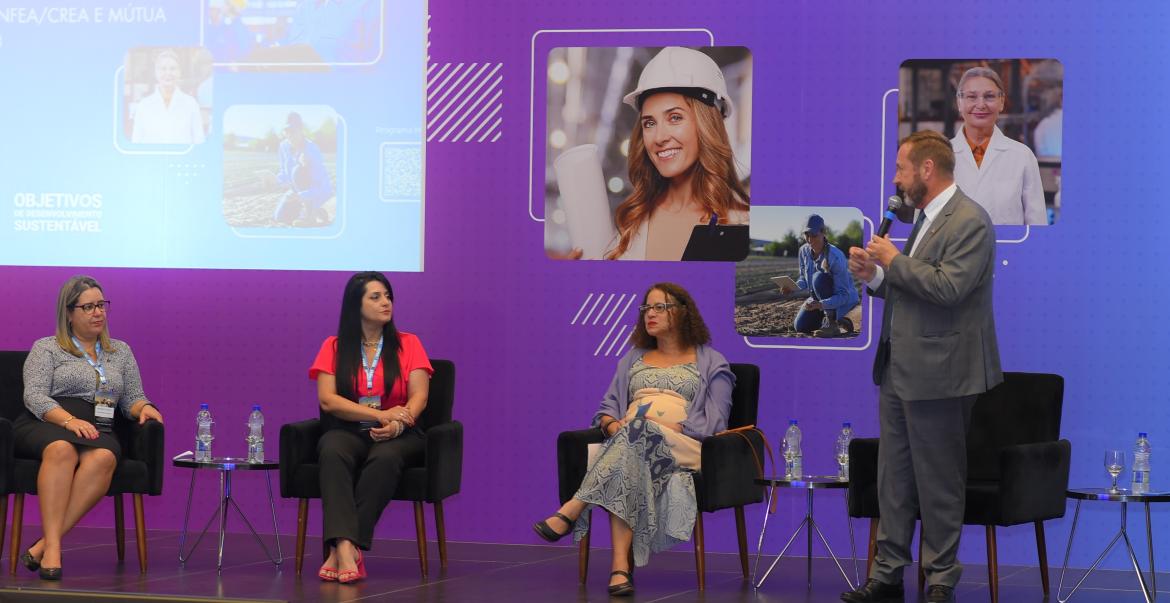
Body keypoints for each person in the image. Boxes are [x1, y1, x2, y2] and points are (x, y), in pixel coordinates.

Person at [843, 130, 1002, 603]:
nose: (896, 180)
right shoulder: (927, 220)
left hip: (942, 373)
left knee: (939, 482)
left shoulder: (970, 220)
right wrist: (875, 276)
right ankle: (887, 575)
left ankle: (940, 580)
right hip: (899, 369)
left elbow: (949, 289)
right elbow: (913, 292)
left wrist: (893, 260)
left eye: (901, 169)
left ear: (926, 170)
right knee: (893, 480)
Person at [533, 282, 735, 597]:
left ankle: (574, 507)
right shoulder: (633, 358)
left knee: (637, 435)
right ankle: (619, 569)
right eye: (646, 308)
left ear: (682, 312)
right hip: (631, 441)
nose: (649, 314)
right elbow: (607, 410)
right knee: (629, 454)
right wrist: (615, 427)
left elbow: (716, 421)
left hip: (685, 446)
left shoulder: (711, 361)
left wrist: (660, 425)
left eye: (659, 307)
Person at [16, 276, 164, 580]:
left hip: (98, 425)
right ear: (69, 313)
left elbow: (132, 397)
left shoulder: (120, 351)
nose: (98, 312)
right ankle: (53, 550)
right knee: (62, 450)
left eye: (101, 305)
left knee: (104, 458)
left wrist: (144, 407)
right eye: (88, 307)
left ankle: (44, 543)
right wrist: (69, 421)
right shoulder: (47, 348)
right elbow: (34, 396)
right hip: (48, 421)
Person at [308, 272, 432, 584]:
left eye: (388, 296)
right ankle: (347, 546)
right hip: (351, 429)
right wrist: (378, 415)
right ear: (356, 305)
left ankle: (344, 547)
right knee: (332, 449)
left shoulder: (409, 343)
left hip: (401, 432)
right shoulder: (334, 346)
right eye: (375, 297)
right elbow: (328, 400)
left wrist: (398, 422)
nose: (385, 302)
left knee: (385, 457)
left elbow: (419, 396)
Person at [598, 47, 749, 260]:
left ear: (708, 124)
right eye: (649, 123)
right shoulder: (629, 226)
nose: (659, 137)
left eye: (675, 118)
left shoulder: (746, 222)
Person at [950, 67, 1045, 226]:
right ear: (959, 102)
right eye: (972, 97)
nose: (981, 105)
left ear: (1001, 102)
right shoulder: (940, 155)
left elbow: (1037, 222)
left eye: (989, 96)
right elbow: (924, 224)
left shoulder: (1022, 156)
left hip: (1006, 244)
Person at [781, 214, 860, 337]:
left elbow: (843, 295)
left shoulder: (836, 257)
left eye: (814, 235)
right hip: (818, 298)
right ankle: (839, 321)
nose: (810, 240)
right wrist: (793, 287)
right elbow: (803, 279)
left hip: (842, 299)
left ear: (823, 233)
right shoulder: (803, 251)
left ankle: (832, 323)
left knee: (818, 278)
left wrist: (821, 304)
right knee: (801, 326)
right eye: (806, 235)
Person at [130, 49, 206, 144]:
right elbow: (136, 141)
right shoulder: (144, 105)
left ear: (179, 72)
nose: (168, 73)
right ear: (156, 73)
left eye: (173, 69)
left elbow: (199, 140)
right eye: (163, 69)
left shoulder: (191, 103)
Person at [272, 111, 334, 227]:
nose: (289, 135)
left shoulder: (312, 149)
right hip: (296, 192)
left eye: (293, 131)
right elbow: (284, 172)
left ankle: (310, 214)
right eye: (286, 131)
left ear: (301, 131)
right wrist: (275, 181)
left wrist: (301, 196)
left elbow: (319, 185)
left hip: (316, 192)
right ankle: (317, 212)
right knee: (279, 217)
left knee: (298, 171)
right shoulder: (283, 146)